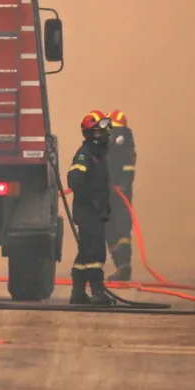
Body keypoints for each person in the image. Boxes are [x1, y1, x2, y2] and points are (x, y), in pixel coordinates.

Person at [67, 110, 113, 305]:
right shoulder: (85, 155)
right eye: (98, 132)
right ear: (89, 134)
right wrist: (92, 202)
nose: (103, 136)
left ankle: (77, 293)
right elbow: (74, 180)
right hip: (89, 213)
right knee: (95, 253)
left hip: (95, 212)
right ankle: (97, 292)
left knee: (85, 253)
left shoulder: (98, 156)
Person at [105, 108, 137, 282]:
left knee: (122, 227)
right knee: (109, 229)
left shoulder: (125, 148)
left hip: (121, 194)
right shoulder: (103, 146)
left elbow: (128, 167)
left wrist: (122, 185)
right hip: (106, 194)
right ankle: (121, 266)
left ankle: (124, 265)